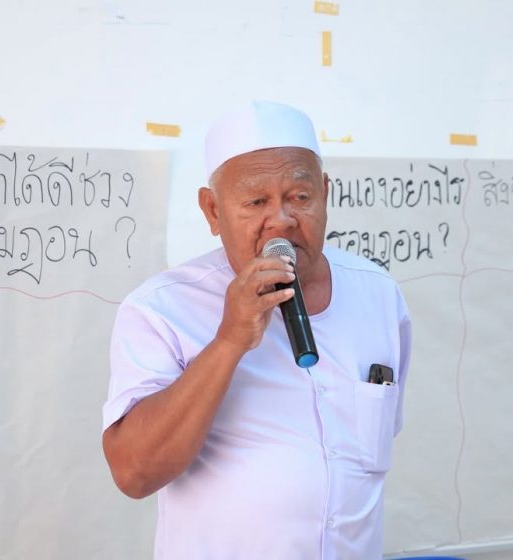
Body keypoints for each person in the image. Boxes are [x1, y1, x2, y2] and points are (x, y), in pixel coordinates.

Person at [101, 101, 411, 559]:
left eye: (300, 197)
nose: (282, 219)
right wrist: (229, 341)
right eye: (256, 202)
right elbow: (134, 473)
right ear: (212, 211)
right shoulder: (161, 309)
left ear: (325, 194)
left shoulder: (378, 293)